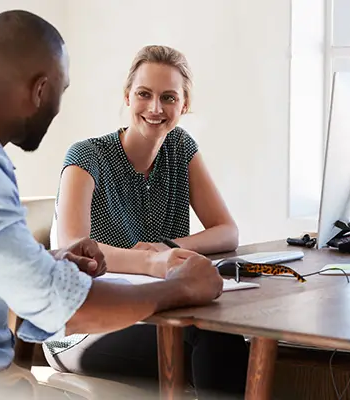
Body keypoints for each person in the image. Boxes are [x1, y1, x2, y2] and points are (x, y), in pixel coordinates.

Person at [0, 11, 223, 400]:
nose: (56, 109)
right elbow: (64, 309)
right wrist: (178, 289)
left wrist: (50, 260)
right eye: (60, 92)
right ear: (39, 90)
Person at [45, 45, 249, 399]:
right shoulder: (86, 156)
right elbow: (72, 247)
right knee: (209, 343)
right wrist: (152, 262)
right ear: (127, 97)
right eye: (144, 94)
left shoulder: (181, 148)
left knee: (223, 332)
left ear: (183, 106)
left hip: (154, 309)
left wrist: (169, 249)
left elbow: (227, 231)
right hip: (80, 327)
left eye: (169, 98)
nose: (156, 109)